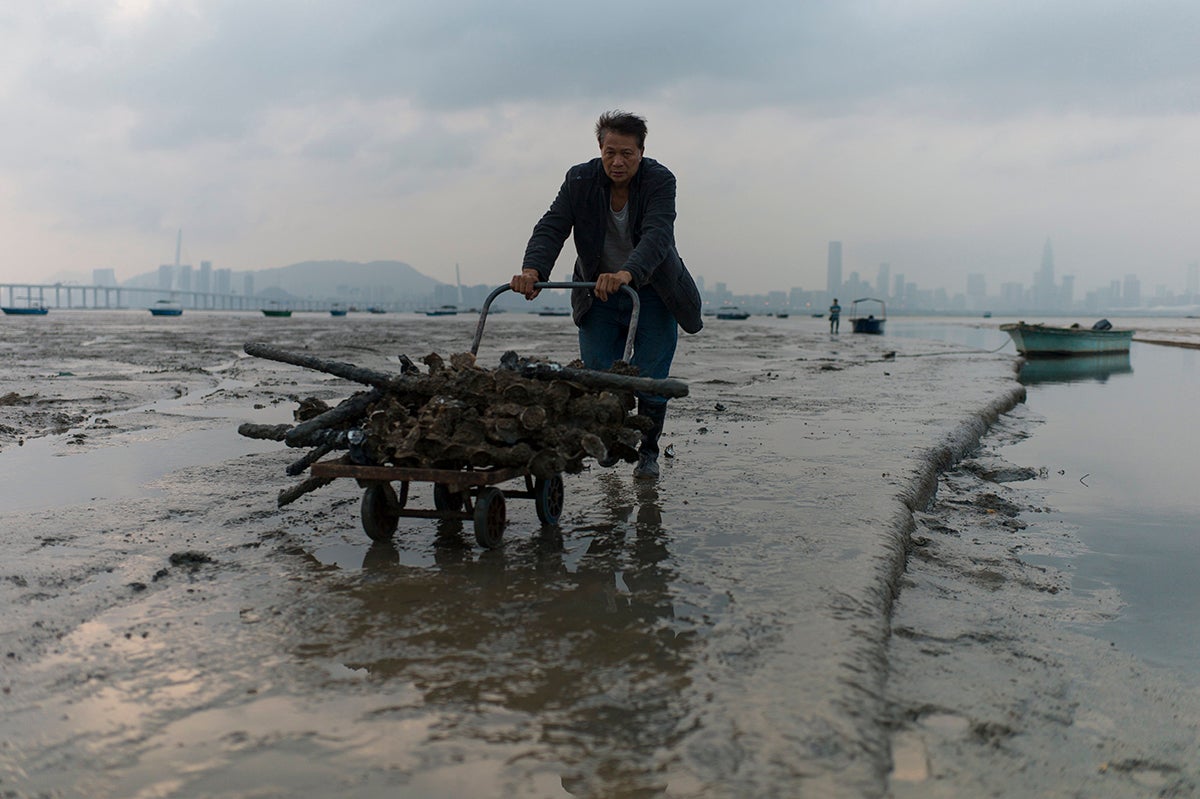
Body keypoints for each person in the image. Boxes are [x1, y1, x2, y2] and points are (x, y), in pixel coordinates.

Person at [510, 110, 703, 479]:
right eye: (610, 152)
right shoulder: (579, 179)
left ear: (641, 152)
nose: (618, 161)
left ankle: (648, 452)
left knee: (650, 379)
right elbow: (552, 226)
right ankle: (611, 441)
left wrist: (628, 272)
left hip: (651, 291)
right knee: (598, 376)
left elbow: (657, 234)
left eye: (627, 153)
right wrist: (533, 270)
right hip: (594, 292)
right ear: (599, 149)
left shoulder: (660, 181)